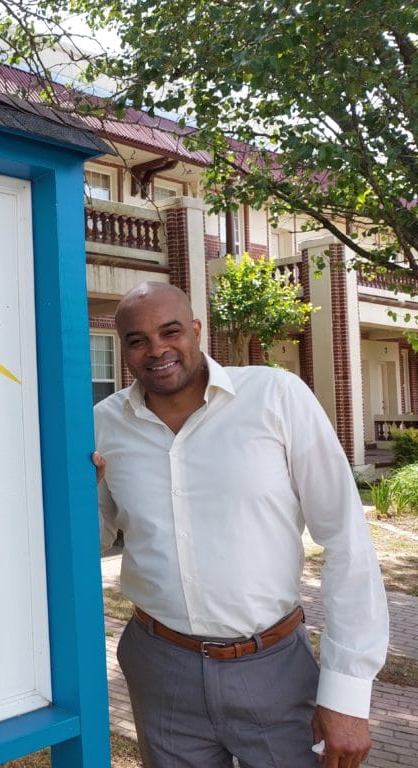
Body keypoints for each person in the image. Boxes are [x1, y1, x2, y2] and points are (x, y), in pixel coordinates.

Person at [93, 282, 388, 768]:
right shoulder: (105, 422)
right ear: (123, 346)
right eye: (137, 339)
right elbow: (97, 537)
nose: (157, 349)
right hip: (158, 664)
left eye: (170, 332)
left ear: (196, 330)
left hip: (272, 665)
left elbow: (345, 540)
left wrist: (347, 695)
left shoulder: (276, 396)